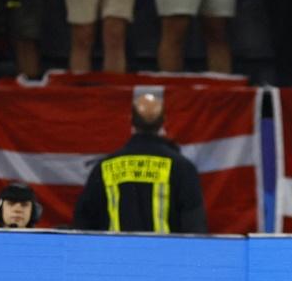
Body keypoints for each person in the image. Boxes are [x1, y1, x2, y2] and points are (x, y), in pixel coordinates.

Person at [74, 92, 208, 233]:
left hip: (116, 253)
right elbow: (194, 228)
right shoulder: (182, 168)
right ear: (164, 121)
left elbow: (83, 224)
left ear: (131, 120)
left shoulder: (105, 167)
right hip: (165, 253)